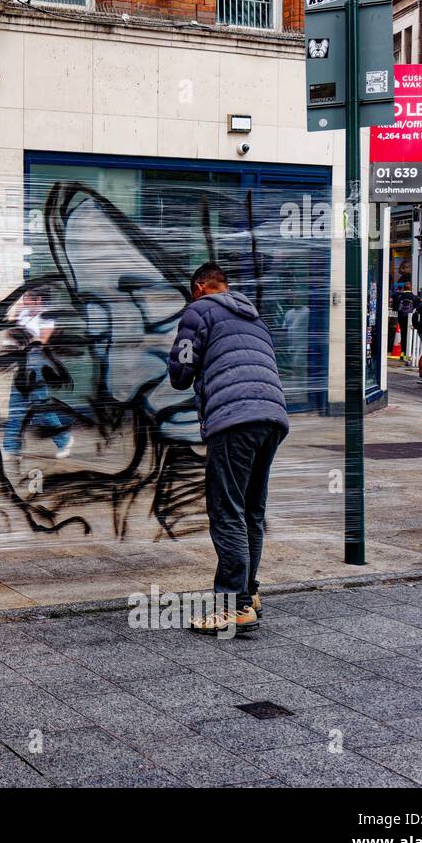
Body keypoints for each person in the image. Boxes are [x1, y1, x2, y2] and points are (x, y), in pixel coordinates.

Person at [167, 263, 290, 636]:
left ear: (200, 287)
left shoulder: (199, 310)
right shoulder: (253, 315)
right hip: (272, 417)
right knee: (251, 510)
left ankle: (231, 607)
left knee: (227, 511)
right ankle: (248, 595)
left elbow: (181, 371)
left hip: (234, 419)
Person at [2, 289, 73, 461]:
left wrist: (23, 337)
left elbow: (42, 343)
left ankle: (64, 440)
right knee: (16, 407)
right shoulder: (24, 313)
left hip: (37, 366)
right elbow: (9, 332)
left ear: (38, 299)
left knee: (40, 407)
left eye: (27, 297)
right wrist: (16, 316)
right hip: (22, 364)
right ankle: (11, 448)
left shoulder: (46, 317)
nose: (23, 300)